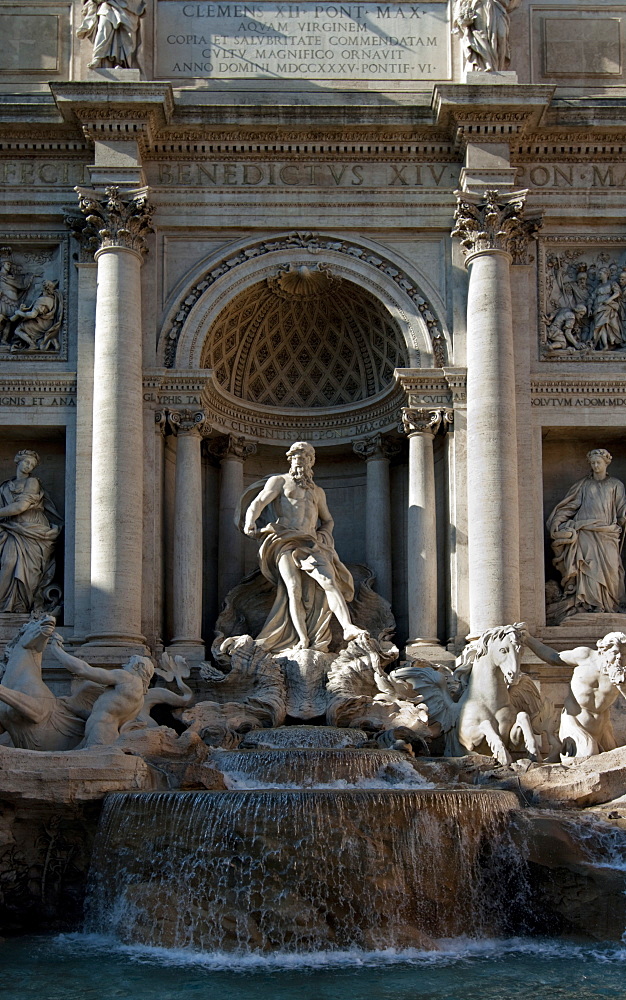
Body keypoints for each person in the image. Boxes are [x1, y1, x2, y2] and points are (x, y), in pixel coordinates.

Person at [239, 441, 368, 653]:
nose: (300, 459)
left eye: (305, 456)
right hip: (285, 540)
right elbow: (259, 502)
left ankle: (347, 627)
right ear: (290, 460)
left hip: (311, 543)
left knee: (329, 581)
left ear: (311, 462)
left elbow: (328, 520)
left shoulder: (317, 492)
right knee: (293, 589)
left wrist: (324, 535)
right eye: (296, 456)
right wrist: (249, 522)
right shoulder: (279, 481)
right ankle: (302, 640)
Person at [522, 626, 626, 756]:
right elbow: (554, 658)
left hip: (602, 727)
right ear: (603, 650)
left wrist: (622, 685)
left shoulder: (623, 672)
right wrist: (528, 639)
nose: (619, 658)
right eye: (615, 653)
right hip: (574, 721)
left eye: (624, 653)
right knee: (588, 754)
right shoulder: (585, 656)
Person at [547, 449, 626, 617]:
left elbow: (621, 511)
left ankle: (610, 605)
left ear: (606, 463)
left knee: (612, 570)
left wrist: (622, 519)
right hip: (585, 532)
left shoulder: (616, 485)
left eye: (599, 463)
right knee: (587, 567)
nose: (596, 466)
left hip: (608, 534)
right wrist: (557, 520)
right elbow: (570, 506)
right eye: (593, 463)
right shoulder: (584, 485)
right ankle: (589, 604)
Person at [50, 639, 154, 748]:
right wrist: (76, 709)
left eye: (129, 663)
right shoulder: (140, 700)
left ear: (137, 666)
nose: (124, 666)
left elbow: (84, 670)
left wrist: (57, 651)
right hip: (107, 735)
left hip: (99, 733)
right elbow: (106, 714)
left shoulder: (126, 677)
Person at [0, 450, 62, 613]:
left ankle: (21, 605)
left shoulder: (32, 482)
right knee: (7, 563)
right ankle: (5, 605)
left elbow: (20, 507)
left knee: (30, 571)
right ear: (17, 460)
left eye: (32, 465)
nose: (29, 466)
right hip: (11, 530)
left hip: (33, 531)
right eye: (26, 462)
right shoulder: (5, 487)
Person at [453, 0, 520, 72]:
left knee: (502, 36)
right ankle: (487, 64)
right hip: (479, 5)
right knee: (481, 36)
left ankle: (499, 68)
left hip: (496, 7)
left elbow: (509, 4)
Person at [77, 0, 145, 69]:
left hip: (127, 8)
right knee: (103, 28)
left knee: (125, 35)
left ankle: (120, 62)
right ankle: (97, 57)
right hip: (107, 4)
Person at [10, 280, 63, 352]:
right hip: (49, 322)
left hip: (41, 324)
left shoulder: (41, 300)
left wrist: (19, 313)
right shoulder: (52, 299)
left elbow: (32, 315)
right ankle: (50, 340)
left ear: (43, 288)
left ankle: (32, 345)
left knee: (18, 330)